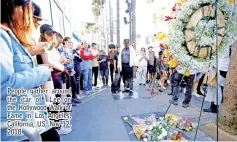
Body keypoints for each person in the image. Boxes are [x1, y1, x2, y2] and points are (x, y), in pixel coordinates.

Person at [1, 0, 60, 141]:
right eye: (32, 19)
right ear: (16, 11)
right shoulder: (2, 37)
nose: (33, 26)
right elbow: (3, 86)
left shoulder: (13, 39)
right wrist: (42, 72)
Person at [58, 37, 81, 106]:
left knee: (74, 84)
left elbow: (71, 61)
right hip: (65, 70)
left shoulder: (70, 50)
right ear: (64, 42)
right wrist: (66, 62)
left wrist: (73, 68)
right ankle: (69, 100)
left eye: (71, 42)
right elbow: (62, 60)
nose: (70, 43)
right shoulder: (61, 49)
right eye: (69, 42)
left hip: (71, 70)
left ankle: (73, 97)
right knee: (68, 85)